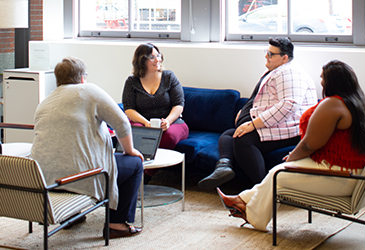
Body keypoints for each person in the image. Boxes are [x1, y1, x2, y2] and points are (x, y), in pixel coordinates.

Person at [217, 60, 365, 231]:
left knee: (279, 174)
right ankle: (242, 201)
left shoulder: (333, 104)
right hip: (351, 169)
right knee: (277, 173)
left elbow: (309, 144)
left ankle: (251, 213)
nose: (320, 81)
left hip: (342, 175)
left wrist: (292, 158)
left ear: (332, 81)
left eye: (322, 78)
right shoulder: (357, 102)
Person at [30, 57, 144, 239]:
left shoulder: (46, 100)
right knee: (134, 164)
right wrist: (130, 150)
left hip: (45, 178)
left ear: (58, 79)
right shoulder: (89, 90)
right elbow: (122, 122)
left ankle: (71, 215)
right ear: (83, 77)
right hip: (79, 178)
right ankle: (116, 223)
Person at [198, 37, 318, 190]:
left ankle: (263, 189)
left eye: (271, 54)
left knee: (243, 140)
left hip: (289, 128)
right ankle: (224, 167)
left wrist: (253, 124)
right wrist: (244, 112)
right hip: (277, 125)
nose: (266, 56)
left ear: (284, 58)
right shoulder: (277, 70)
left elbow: (289, 105)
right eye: (266, 52)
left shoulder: (290, 73)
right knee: (229, 134)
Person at [122, 43, 189, 179]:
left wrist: (168, 121)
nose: (157, 60)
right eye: (152, 57)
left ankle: (146, 174)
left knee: (168, 136)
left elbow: (179, 104)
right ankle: (136, 172)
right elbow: (128, 109)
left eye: (158, 55)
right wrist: (145, 122)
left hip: (173, 122)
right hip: (144, 122)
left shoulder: (169, 77)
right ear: (142, 60)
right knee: (137, 133)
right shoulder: (132, 82)